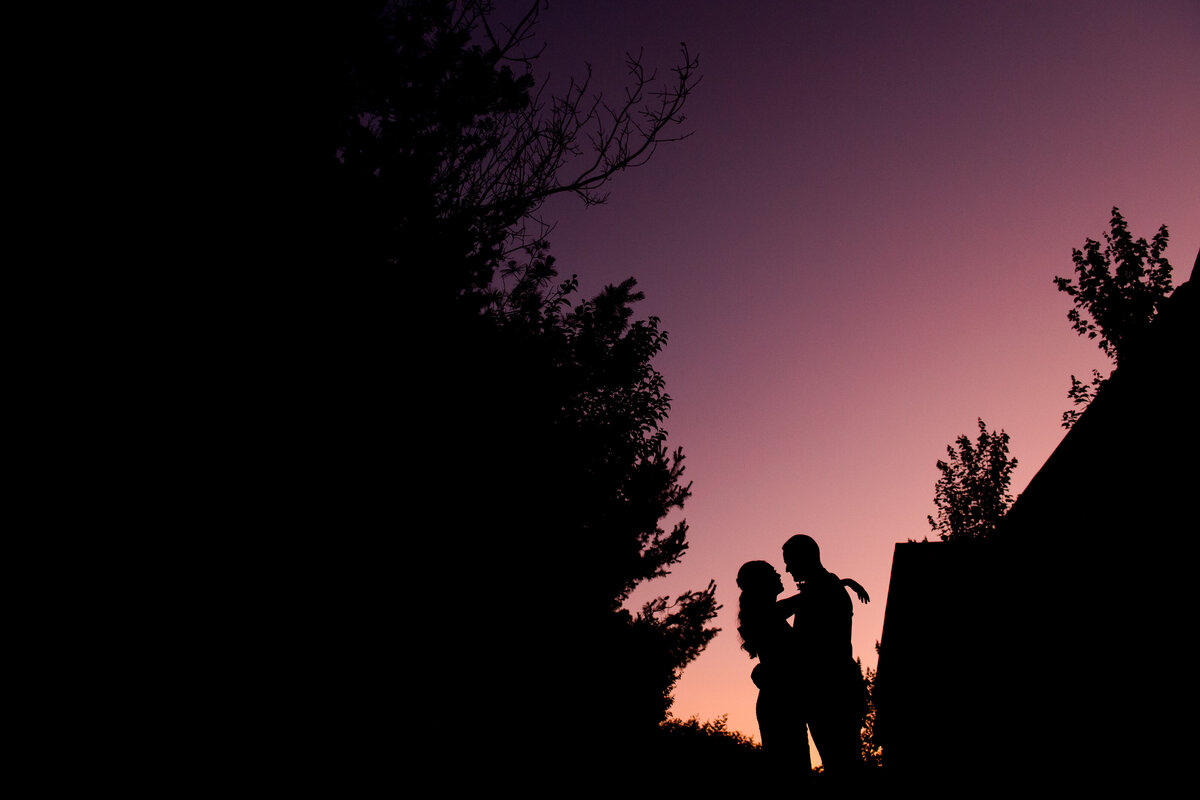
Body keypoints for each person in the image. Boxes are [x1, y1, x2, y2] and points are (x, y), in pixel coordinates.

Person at [737, 559, 869, 783]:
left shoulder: (767, 612)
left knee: (796, 772)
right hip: (779, 705)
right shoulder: (765, 613)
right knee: (792, 774)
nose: (781, 574)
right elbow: (801, 602)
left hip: (787, 703)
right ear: (760, 583)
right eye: (773, 573)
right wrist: (841, 583)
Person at [782, 533, 869, 779]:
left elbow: (809, 643)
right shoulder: (823, 589)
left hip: (832, 695)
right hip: (833, 693)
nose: (787, 568)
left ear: (805, 558)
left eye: (790, 561)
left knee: (843, 766)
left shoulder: (823, 591)